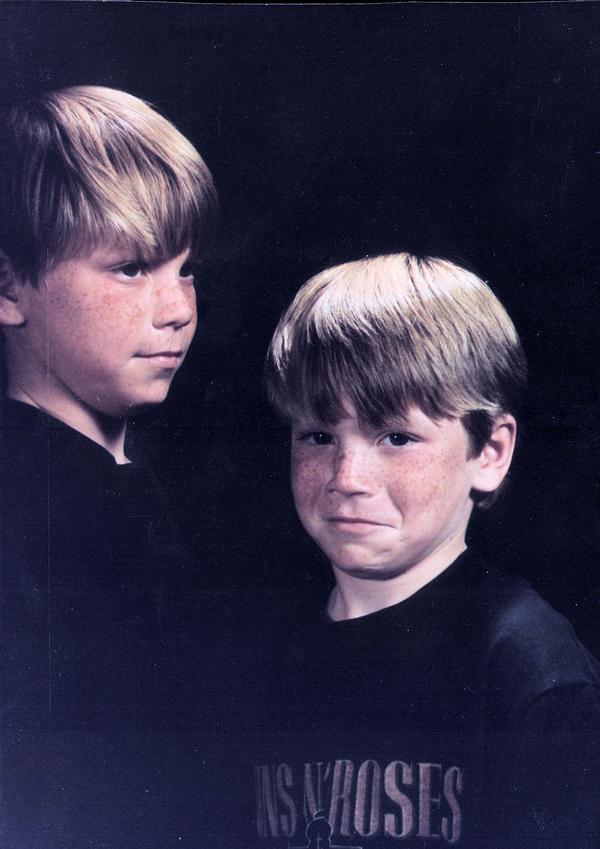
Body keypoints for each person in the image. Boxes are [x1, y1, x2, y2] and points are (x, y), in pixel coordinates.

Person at [248, 253, 600, 849]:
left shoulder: (531, 670)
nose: (347, 477)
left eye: (396, 437)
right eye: (319, 436)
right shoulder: (261, 656)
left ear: (490, 452)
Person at [0, 85, 217, 846]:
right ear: (9, 287)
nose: (177, 308)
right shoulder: (31, 518)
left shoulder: (130, 489)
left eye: (187, 269)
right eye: (131, 268)